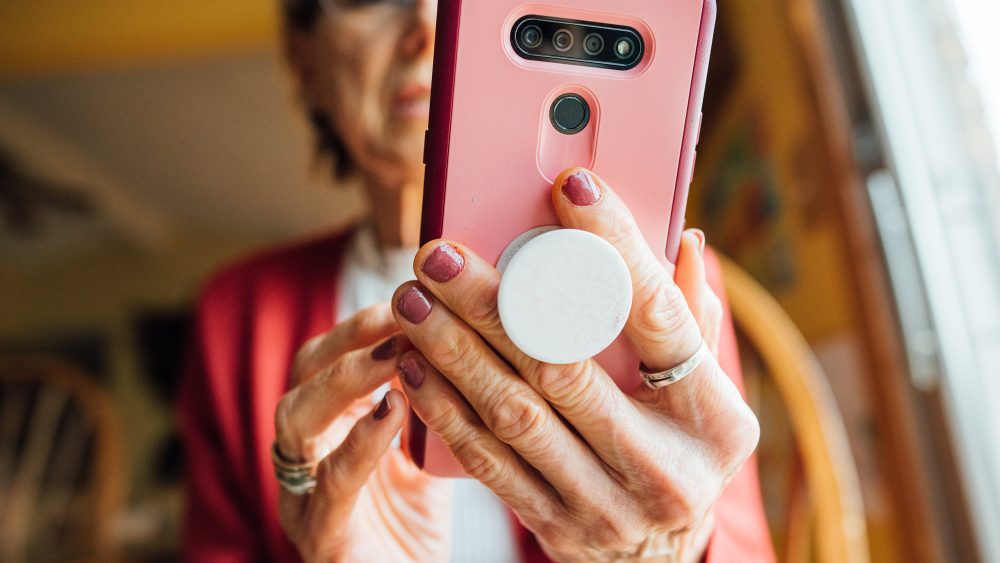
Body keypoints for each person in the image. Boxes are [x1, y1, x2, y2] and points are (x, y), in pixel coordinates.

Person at [178, 0, 776, 561]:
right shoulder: (237, 316)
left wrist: (665, 551)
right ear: (305, 62)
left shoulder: (663, 297)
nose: (427, 26)